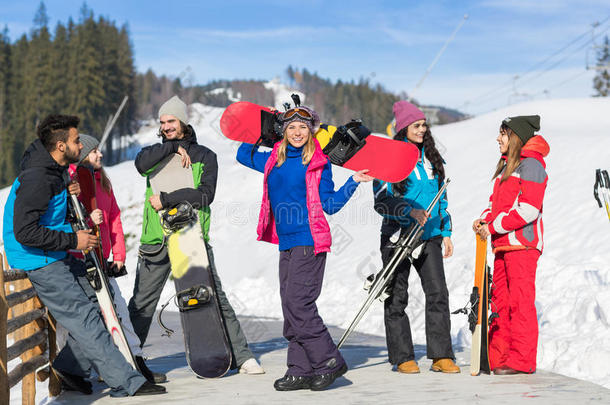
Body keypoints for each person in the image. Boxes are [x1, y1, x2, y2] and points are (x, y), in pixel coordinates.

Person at [2, 115, 165, 397]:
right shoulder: (38, 178)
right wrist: (73, 239)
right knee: (85, 316)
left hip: (56, 249)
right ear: (61, 145)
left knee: (99, 307)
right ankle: (126, 382)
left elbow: (50, 215)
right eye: (77, 140)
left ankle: (70, 369)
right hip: (39, 258)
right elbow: (24, 231)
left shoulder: (57, 170)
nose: (82, 144)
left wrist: (68, 199)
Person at [236, 105, 374, 391]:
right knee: (290, 307)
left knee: (300, 304)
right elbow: (242, 154)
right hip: (285, 242)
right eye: (291, 127)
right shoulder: (274, 158)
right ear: (283, 131)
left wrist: (353, 182)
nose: (297, 132)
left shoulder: (318, 162)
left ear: (311, 130)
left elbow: (330, 204)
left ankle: (328, 361)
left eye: (302, 127)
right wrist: (264, 129)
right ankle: (299, 369)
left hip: (309, 240)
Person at [127, 95, 264, 375]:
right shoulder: (153, 155)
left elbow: (205, 196)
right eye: (163, 122)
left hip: (191, 238)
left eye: (172, 121)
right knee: (142, 303)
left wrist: (167, 199)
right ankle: (127, 360)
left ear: (184, 122)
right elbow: (141, 165)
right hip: (156, 240)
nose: (166, 126)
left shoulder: (205, 156)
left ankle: (242, 355)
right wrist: (174, 147)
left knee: (215, 297)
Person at [67, 134, 167, 384]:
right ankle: (83, 367)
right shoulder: (74, 181)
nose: (99, 155)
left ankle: (133, 362)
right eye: (94, 152)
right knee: (102, 315)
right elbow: (71, 220)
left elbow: (114, 219)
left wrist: (119, 255)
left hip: (103, 258)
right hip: (84, 259)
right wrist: (91, 219)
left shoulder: (102, 182)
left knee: (117, 311)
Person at [373, 100, 459, 374]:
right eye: (416, 125)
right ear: (403, 129)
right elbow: (380, 200)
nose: (422, 129)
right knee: (397, 297)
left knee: (437, 294)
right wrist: (408, 209)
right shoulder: (389, 158)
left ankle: (441, 355)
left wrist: (445, 232)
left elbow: (441, 198)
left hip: (429, 235)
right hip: (397, 236)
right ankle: (402, 356)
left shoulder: (433, 159)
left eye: (424, 125)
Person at [472, 115, 549, 375]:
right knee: (500, 302)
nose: (498, 138)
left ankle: (521, 361)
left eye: (503, 134)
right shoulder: (508, 166)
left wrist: (492, 227)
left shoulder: (532, 166)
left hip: (522, 247)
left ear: (515, 136)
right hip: (503, 245)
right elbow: (497, 205)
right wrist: (484, 219)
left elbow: (528, 210)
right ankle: (499, 357)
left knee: (520, 303)